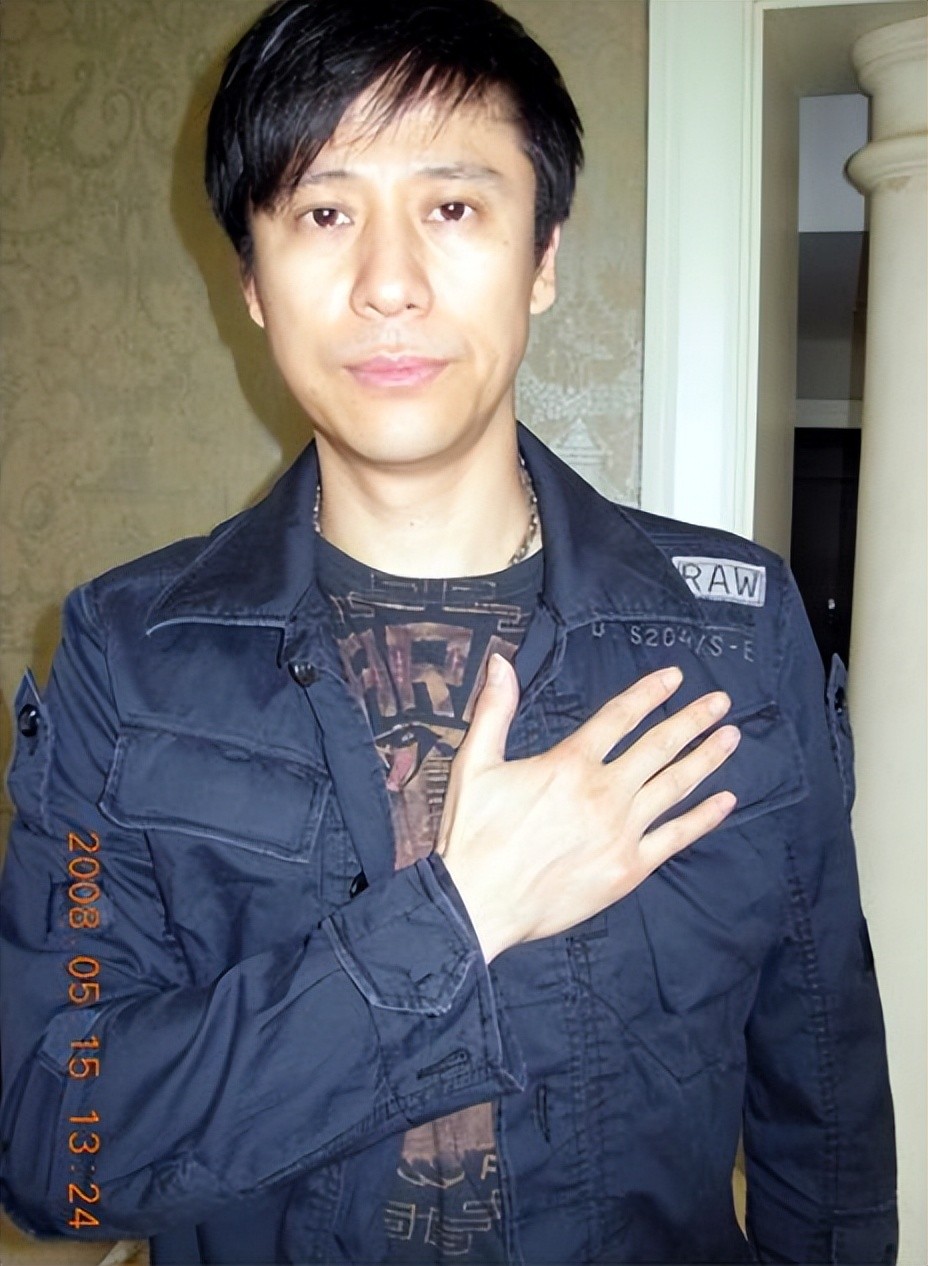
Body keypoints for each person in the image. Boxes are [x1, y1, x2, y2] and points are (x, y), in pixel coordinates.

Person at [0, 1, 896, 1263]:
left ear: (541, 257)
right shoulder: (127, 655)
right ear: (251, 281)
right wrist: (457, 916)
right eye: (324, 213)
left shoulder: (732, 640)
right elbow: (58, 1151)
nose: (389, 283)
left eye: (454, 207)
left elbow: (826, 1117)